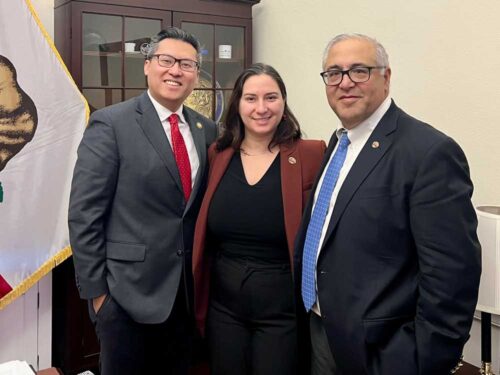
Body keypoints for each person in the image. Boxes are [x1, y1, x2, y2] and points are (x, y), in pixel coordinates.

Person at [294, 33, 481, 375]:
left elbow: (452, 275)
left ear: (386, 76)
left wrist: (422, 360)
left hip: (383, 351)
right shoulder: (339, 143)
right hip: (322, 328)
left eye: (359, 70)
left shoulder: (429, 153)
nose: (345, 82)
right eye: (334, 73)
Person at [68, 27, 217, 375]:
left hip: (184, 297)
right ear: (147, 66)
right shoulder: (111, 123)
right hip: (124, 297)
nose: (175, 71)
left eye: (187, 64)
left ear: (196, 75)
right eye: (166, 60)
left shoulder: (206, 129)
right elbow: (84, 213)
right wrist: (98, 298)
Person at [192, 63, 326, 375]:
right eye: (251, 98)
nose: (261, 108)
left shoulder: (311, 153)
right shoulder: (218, 154)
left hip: (282, 309)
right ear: (238, 104)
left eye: (271, 97)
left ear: (284, 102)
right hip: (223, 307)